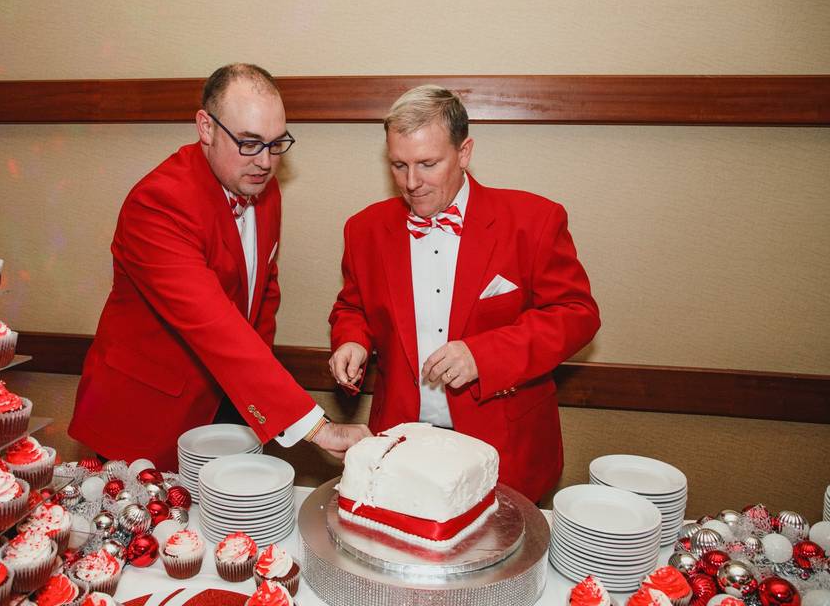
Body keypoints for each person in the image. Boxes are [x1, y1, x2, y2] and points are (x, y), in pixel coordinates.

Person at [70, 63, 370, 469]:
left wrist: (253, 401)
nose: (264, 162)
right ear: (206, 127)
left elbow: (262, 293)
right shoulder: (158, 203)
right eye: (248, 143)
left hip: (229, 405)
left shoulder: (262, 187)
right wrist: (317, 427)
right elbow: (212, 323)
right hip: (144, 416)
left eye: (275, 143)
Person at [328, 85, 600, 501]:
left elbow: (577, 314)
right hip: (403, 443)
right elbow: (353, 305)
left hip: (504, 446)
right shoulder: (364, 229)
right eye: (398, 165)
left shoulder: (534, 220)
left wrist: (485, 355)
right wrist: (351, 339)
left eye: (428, 163)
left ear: (465, 152)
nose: (412, 183)